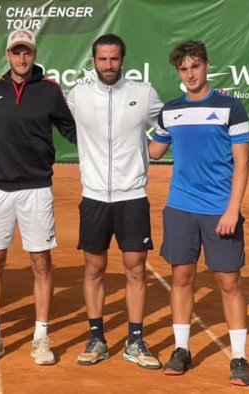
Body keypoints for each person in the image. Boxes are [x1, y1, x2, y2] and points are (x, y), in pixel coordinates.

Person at [149, 40, 249, 386]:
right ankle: (181, 349)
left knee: (229, 281)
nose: (190, 73)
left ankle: (238, 356)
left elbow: (242, 163)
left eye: (195, 66)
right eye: (183, 68)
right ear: (178, 72)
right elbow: (156, 150)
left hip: (220, 210)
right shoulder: (170, 110)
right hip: (180, 207)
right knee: (181, 278)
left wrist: (232, 211)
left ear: (206, 65)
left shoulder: (230, 107)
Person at [0, 29, 77, 365]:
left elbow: (72, 130)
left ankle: (41, 337)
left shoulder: (49, 91)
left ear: (34, 54)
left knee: (41, 263)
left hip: (37, 188)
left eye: (27, 52)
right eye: (16, 52)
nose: (22, 58)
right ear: (7, 55)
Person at [66, 34, 162, 369]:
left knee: (135, 269)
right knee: (94, 269)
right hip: (93, 197)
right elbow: (36, 101)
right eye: (102, 59)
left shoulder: (144, 93)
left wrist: (147, 159)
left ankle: (135, 341)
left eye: (114, 59)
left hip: (133, 197)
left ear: (123, 60)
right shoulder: (77, 95)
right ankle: (97, 338)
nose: (108, 65)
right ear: (93, 60)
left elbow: (169, 125)